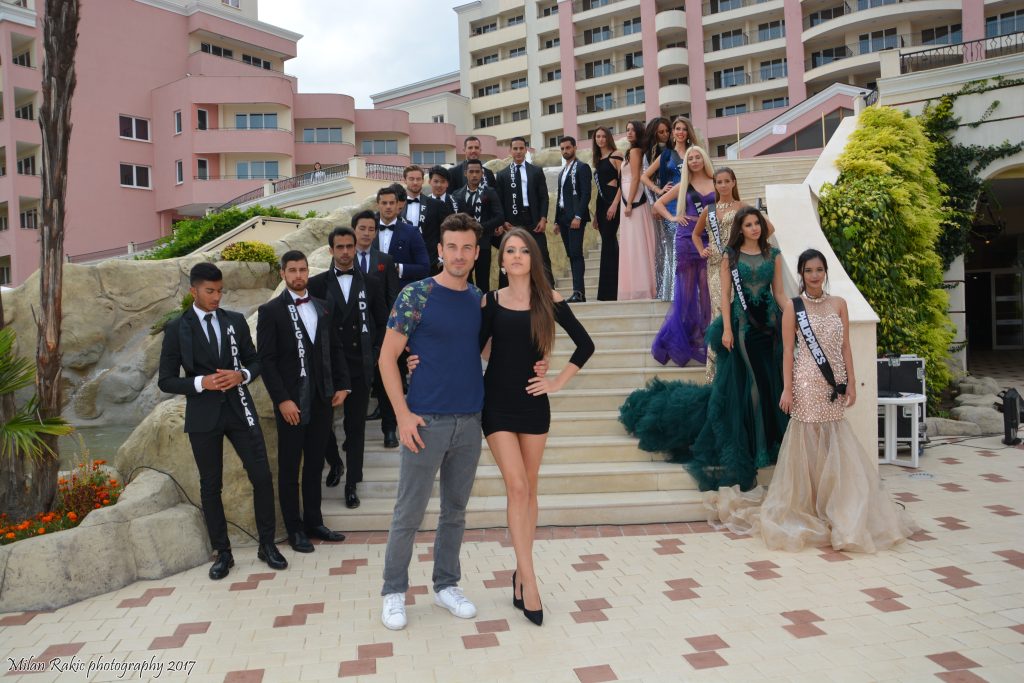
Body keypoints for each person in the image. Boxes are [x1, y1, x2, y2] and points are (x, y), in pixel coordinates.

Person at [706, 249, 918, 552]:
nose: (814, 276)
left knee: (834, 439)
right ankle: (809, 503)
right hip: (806, 382)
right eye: (808, 271)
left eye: (819, 270)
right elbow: (787, 352)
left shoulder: (839, 304)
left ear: (825, 272)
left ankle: (834, 502)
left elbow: (845, 346)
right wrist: (787, 389)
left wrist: (851, 382)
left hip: (833, 384)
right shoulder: (794, 308)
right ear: (801, 275)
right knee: (808, 442)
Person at [621, 207, 788, 492]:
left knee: (770, 384)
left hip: (769, 327)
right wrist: (726, 329)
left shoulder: (773, 255)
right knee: (751, 386)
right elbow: (725, 295)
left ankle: (771, 444)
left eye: (757, 223)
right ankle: (755, 447)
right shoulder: (730, 256)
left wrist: (795, 316)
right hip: (743, 327)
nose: (754, 228)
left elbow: (780, 293)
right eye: (748, 224)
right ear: (740, 229)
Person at [378, 213, 487, 632]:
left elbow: (488, 351)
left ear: (476, 253)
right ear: (439, 250)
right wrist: (403, 415)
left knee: (455, 512)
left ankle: (446, 585)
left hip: (469, 421)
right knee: (408, 512)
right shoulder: (416, 294)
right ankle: (393, 591)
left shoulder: (478, 299)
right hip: (425, 421)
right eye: (451, 247)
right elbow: (387, 358)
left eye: (466, 248)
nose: (459, 255)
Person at [482, 228, 594, 625]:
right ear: (501, 261)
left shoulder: (550, 300)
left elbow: (585, 344)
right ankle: (529, 581)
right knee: (516, 486)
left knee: (529, 488)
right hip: (496, 404)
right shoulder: (489, 301)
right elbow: (477, 347)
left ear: (533, 258)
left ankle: (519, 572)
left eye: (523, 251)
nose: (516, 256)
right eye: (509, 251)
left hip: (533, 403)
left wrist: (557, 380)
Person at [158, 263, 287, 579]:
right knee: (210, 485)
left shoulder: (235, 321)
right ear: (194, 291)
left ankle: (267, 545)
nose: (216, 297)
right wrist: (201, 382)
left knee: (261, 475)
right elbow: (166, 380)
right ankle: (223, 553)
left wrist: (241, 375)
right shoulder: (177, 328)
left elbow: (255, 362)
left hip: (240, 409)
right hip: (202, 416)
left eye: (219, 291)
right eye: (210, 291)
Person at [257, 251, 349, 553]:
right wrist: (282, 400)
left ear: (308, 271)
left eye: (303, 270)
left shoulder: (323, 306)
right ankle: (294, 530)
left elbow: (335, 348)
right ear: (283, 274)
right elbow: (267, 361)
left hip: (322, 399)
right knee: (289, 467)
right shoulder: (270, 311)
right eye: (292, 270)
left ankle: (314, 523)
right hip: (292, 404)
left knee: (314, 465)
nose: (298, 275)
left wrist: (342, 385)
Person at [308, 227, 388, 509]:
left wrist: (375, 354)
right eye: (339, 247)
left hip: (359, 366)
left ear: (356, 248)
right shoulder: (316, 284)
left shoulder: (372, 283)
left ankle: (352, 483)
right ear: (331, 250)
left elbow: (383, 323)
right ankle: (335, 462)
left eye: (349, 246)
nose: (345, 252)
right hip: (327, 367)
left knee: (355, 428)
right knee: (322, 424)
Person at [691, 167, 774, 381]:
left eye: (727, 181)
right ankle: (716, 372)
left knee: (737, 310)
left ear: (734, 182)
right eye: (719, 182)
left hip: (737, 265)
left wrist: (748, 249)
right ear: (715, 185)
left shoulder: (742, 207)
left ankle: (739, 365)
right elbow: (696, 235)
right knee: (719, 312)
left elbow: (769, 228)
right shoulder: (708, 210)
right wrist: (701, 250)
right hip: (714, 268)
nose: (723, 185)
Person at [650, 145, 716, 367]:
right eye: (691, 158)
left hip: (709, 240)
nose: (695, 161)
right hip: (686, 239)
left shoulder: (716, 181)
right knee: (686, 293)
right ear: (686, 163)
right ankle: (680, 340)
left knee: (706, 290)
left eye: (698, 157)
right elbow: (658, 204)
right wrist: (673, 217)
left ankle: (706, 338)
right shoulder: (683, 185)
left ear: (704, 159)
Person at [642, 116, 698, 301]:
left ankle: (692, 291)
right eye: (677, 129)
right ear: (673, 133)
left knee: (691, 248)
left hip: (692, 205)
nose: (680, 132)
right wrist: (658, 190)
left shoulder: (694, 153)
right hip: (671, 208)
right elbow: (644, 176)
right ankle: (674, 293)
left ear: (688, 132)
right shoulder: (666, 154)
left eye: (684, 129)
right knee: (674, 250)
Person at [352, 210, 399, 425]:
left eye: (371, 229)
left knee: (384, 379)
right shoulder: (344, 259)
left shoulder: (385, 260)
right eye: (362, 228)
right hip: (353, 332)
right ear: (353, 230)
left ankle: (389, 430)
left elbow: (392, 295)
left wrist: (391, 328)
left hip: (380, 330)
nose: (366, 233)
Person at [496, 137, 552, 287]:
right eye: (515, 148)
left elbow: (544, 197)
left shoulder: (536, 171)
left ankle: (549, 292)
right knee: (508, 258)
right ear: (510, 151)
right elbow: (499, 202)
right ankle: (506, 293)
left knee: (542, 257)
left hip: (534, 220)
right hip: (512, 223)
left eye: (521, 148)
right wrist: (503, 221)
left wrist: (543, 218)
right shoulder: (502, 175)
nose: (518, 151)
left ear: (526, 150)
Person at [617, 120, 657, 301]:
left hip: (634, 200)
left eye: (633, 130)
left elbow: (635, 178)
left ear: (639, 132)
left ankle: (641, 287)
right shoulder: (632, 151)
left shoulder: (635, 151)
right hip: (628, 199)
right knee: (632, 243)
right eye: (627, 130)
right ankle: (635, 286)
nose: (629, 133)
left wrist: (629, 203)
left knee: (637, 242)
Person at [453, 157, 504, 289]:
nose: (474, 175)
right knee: (464, 280)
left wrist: (480, 227)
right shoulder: (457, 194)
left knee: (483, 282)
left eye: (477, 172)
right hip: (463, 245)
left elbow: (500, 217)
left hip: (483, 244)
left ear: (482, 173)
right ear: (465, 173)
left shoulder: (490, 192)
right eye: (471, 172)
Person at [553, 136, 592, 303]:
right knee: (571, 254)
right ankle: (577, 292)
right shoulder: (562, 172)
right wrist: (556, 220)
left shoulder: (582, 167)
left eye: (568, 147)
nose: (565, 151)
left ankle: (579, 292)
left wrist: (578, 216)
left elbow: (586, 194)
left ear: (575, 148)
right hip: (563, 218)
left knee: (576, 254)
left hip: (575, 218)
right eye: (562, 148)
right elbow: (560, 197)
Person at [372, 185, 430, 291]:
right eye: (384, 203)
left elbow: (425, 267)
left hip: (401, 293)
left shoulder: (412, 232)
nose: (388, 206)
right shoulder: (368, 231)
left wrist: (398, 268)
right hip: (374, 292)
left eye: (392, 203)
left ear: (397, 205)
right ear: (378, 205)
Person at [591, 126, 622, 301]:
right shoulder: (598, 159)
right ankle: (607, 291)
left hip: (613, 202)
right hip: (602, 204)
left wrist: (615, 205)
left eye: (603, 136)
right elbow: (600, 188)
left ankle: (613, 290)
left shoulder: (616, 155)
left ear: (608, 137)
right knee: (607, 242)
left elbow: (623, 182)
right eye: (598, 136)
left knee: (609, 241)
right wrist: (596, 214)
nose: (601, 139)